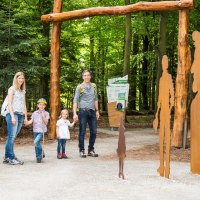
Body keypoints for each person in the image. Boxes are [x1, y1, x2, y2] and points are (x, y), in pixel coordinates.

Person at [73, 70, 100, 158]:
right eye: (85, 75)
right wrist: (74, 113)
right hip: (83, 111)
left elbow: (95, 99)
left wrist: (97, 111)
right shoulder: (80, 87)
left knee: (94, 132)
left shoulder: (94, 86)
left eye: (88, 75)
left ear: (90, 76)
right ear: (82, 77)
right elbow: (75, 100)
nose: (86, 77)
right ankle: (82, 150)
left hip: (92, 111)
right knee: (82, 131)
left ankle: (90, 150)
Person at [3, 72, 28, 165]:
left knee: (12, 138)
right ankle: (11, 157)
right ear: (15, 79)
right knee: (11, 137)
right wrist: (13, 116)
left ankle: (7, 157)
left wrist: (25, 117)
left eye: (22, 78)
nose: (21, 80)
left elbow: (24, 104)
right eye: (19, 78)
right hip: (13, 115)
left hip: (21, 115)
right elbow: (9, 103)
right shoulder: (12, 89)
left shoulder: (23, 91)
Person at [26, 98, 49, 163]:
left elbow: (46, 123)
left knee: (36, 142)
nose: (41, 106)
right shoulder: (34, 113)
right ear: (37, 105)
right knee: (37, 144)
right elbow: (31, 121)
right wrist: (27, 122)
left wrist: (43, 116)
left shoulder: (46, 113)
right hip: (35, 130)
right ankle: (38, 157)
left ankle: (40, 152)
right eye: (40, 104)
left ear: (45, 106)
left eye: (43, 105)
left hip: (42, 131)